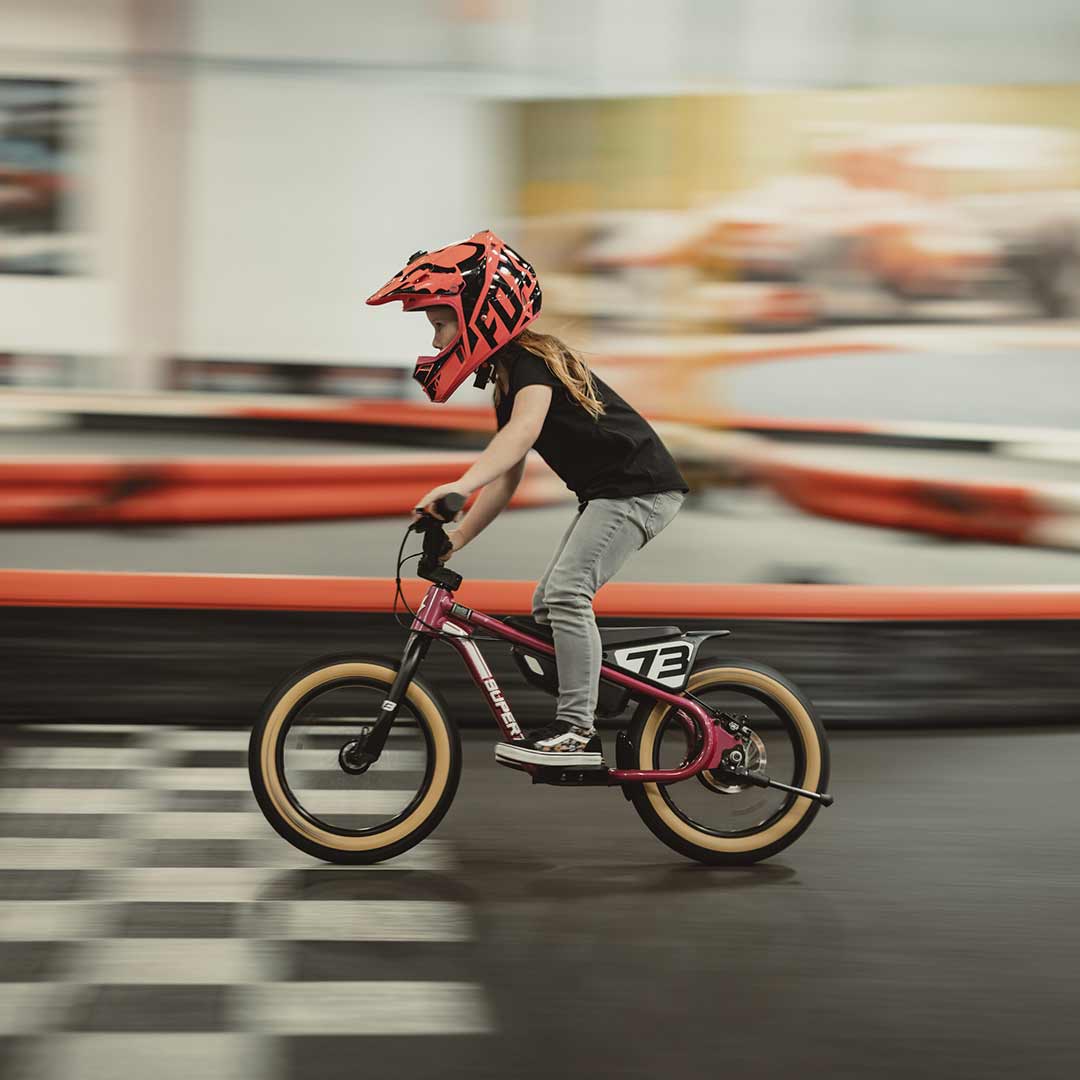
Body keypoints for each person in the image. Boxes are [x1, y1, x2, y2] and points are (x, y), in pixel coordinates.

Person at [367, 230, 687, 768]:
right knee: (547, 606)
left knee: (567, 595)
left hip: (637, 491)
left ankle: (577, 731)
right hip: (614, 494)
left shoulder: (533, 363)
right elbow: (508, 476)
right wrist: (458, 536)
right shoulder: (508, 378)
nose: (439, 340)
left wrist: (457, 485)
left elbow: (519, 435)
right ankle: (600, 694)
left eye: (442, 324)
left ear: (480, 313)